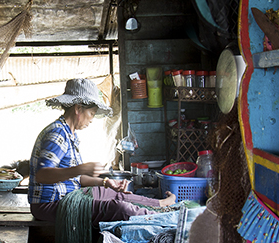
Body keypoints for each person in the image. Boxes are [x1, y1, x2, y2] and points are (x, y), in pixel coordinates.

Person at [28, 78, 176, 223]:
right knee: (116, 208)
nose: (92, 119)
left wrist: (106, 182)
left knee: (114, 194)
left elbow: (76, 179)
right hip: (49, 205)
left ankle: (161, 205)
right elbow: (42, 175)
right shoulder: (57, 133)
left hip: (69, 196)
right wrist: (80, 169)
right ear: (78, 108)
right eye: (92, 113)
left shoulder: (69, 133)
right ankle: (160, 217)